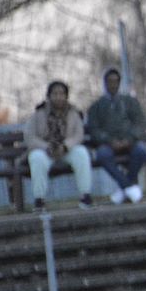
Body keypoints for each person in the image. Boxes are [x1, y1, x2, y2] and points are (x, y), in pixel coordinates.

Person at [23, 81, 94, 212]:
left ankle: (86, 196)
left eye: (61, 94)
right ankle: (39, 200)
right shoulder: (39, 113)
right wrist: (46, 147)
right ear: (49, 96)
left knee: (82, 153)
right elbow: (29, 136)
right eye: (55, 94)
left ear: (66, 96)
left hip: (66, 150)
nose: (58, 97)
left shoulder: (73, 113)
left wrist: (65, 146)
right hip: (45, 150)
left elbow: (79, 135)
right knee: (36, 158)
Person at [86, 68, 146, 204]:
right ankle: (130, 188)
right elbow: (94, 130)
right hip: (108, 145)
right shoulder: (96, 107)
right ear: (105, 83)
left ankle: (123, 189)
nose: (113, 85)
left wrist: (129, 139)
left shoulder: (130, 102)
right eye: (110, 82)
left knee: (141, 151)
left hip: (129, 142)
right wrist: (109, 141)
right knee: (102, 155)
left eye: (115, 81)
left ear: (119, 83)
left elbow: (139, 123)